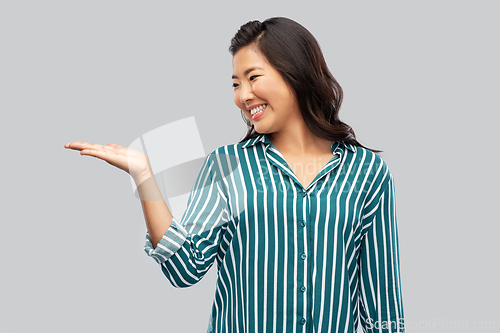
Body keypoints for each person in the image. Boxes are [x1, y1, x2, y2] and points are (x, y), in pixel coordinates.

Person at [64, 17, 404, 333]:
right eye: (235, 84)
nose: (242, 96)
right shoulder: (226, 166)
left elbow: (382, 307)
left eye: (253, 77)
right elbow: (183, 268)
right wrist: (144, 175)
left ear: (296, 73)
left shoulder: (366, 173)